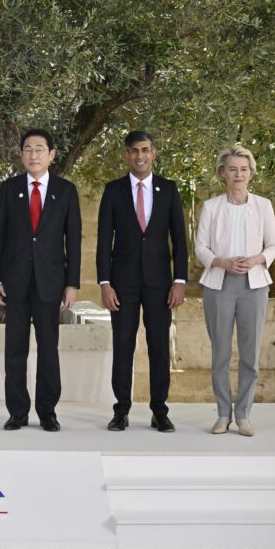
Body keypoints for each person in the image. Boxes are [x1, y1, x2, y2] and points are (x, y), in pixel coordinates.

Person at [0, 129, 81, 432]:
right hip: (14, 282)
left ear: (51, 154)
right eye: (28, 149)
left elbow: (74, 241)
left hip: (50, 282)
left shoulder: (65, 191)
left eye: (39, 149)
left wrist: (72, 284)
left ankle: (47, 412)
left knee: (48, 349)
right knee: (15, 349)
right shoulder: (9, 189)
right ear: (21, 154)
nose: (33, 155)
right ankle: (17, 412)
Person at [97, 130, 188, 432]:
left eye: (145, 150)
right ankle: (121, 410)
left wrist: (179, 280)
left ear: (153, 153)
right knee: (123, 345)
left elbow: (180, 238)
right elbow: (103, 241)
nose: (140, 156)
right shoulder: (113, 190)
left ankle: (159, 411)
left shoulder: (168, 189)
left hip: (160, 283)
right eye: (134, 150)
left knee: (159, 347)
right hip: (122, 283)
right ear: (126, 154)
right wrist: (104, 283)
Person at [195, 145, 275, 436]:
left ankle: (243, 415)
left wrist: (256, 259)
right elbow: (201, 247)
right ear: (222, 173)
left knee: (249, 355)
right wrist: (222, 262)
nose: (239, 174)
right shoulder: (211, 207)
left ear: (251, 173)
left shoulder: (264, 206)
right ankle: (223, 414)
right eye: (232, 169)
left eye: (244, 169)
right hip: (218, 284)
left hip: (254, 286)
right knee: (220, 353)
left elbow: (274, 245)